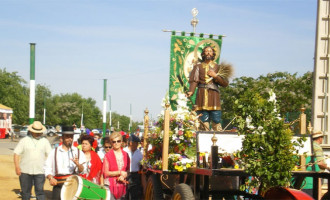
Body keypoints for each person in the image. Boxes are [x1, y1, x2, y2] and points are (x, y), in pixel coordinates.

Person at [187, 45, 230, 131]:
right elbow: (195, 81)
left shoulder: (218, 67)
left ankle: (217, 132)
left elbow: (225, 83)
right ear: (203, 53)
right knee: (203, 116)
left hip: (213, 94)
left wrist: (215, 76)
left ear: (213, 53)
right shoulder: (198, 67)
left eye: (210, 51)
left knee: (216, 116)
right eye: (206, 51)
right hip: (201, 93)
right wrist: (191, 91)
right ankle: (204, 130)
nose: (208, 53)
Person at [44, 126, 87, 200]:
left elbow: (83, 170)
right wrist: (50, 178)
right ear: (62, 137)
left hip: (73, 184)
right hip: (58, 183)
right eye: (67, 136)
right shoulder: (54, 152)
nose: (70, 139)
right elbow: (47, 167)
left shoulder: (78, 152)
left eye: (71, 136)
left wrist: (78, 164)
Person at [13, 121, 52, 200]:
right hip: (25, 171)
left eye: (39, 132)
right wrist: (17, 167)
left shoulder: (45, 141)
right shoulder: (24, 141)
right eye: (36, 132)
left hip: (40, 171)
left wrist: (49, 169)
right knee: (25, 193)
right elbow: (16, 153)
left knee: (40, 192)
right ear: (31, 131)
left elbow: (50, 155)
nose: (38, 133)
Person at [302, 130, 330, 197]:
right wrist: (327, 167)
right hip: (315, 176)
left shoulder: (309, 145)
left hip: (305, 177)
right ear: (320, 138)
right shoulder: (317, 147)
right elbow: (320, 163)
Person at [103, 132, 130, 200]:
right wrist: (120, 172)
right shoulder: (107, 155)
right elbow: (106, 173)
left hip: (122, 185)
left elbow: (128, 170)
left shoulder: (126, 154)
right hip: (110, 185)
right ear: (111, 143)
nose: (116, 143)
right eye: (114, 141)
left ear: (121, 142)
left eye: (118, 141)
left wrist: (124, 175)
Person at [123, 135, 143, 200]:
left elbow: (142, 164)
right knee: (125, 194)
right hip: (125, 175)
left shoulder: (139, 153)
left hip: (135, 175)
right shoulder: (124, 151)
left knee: (134, 195)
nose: (137, 144)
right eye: (136, 143)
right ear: (131, 143)